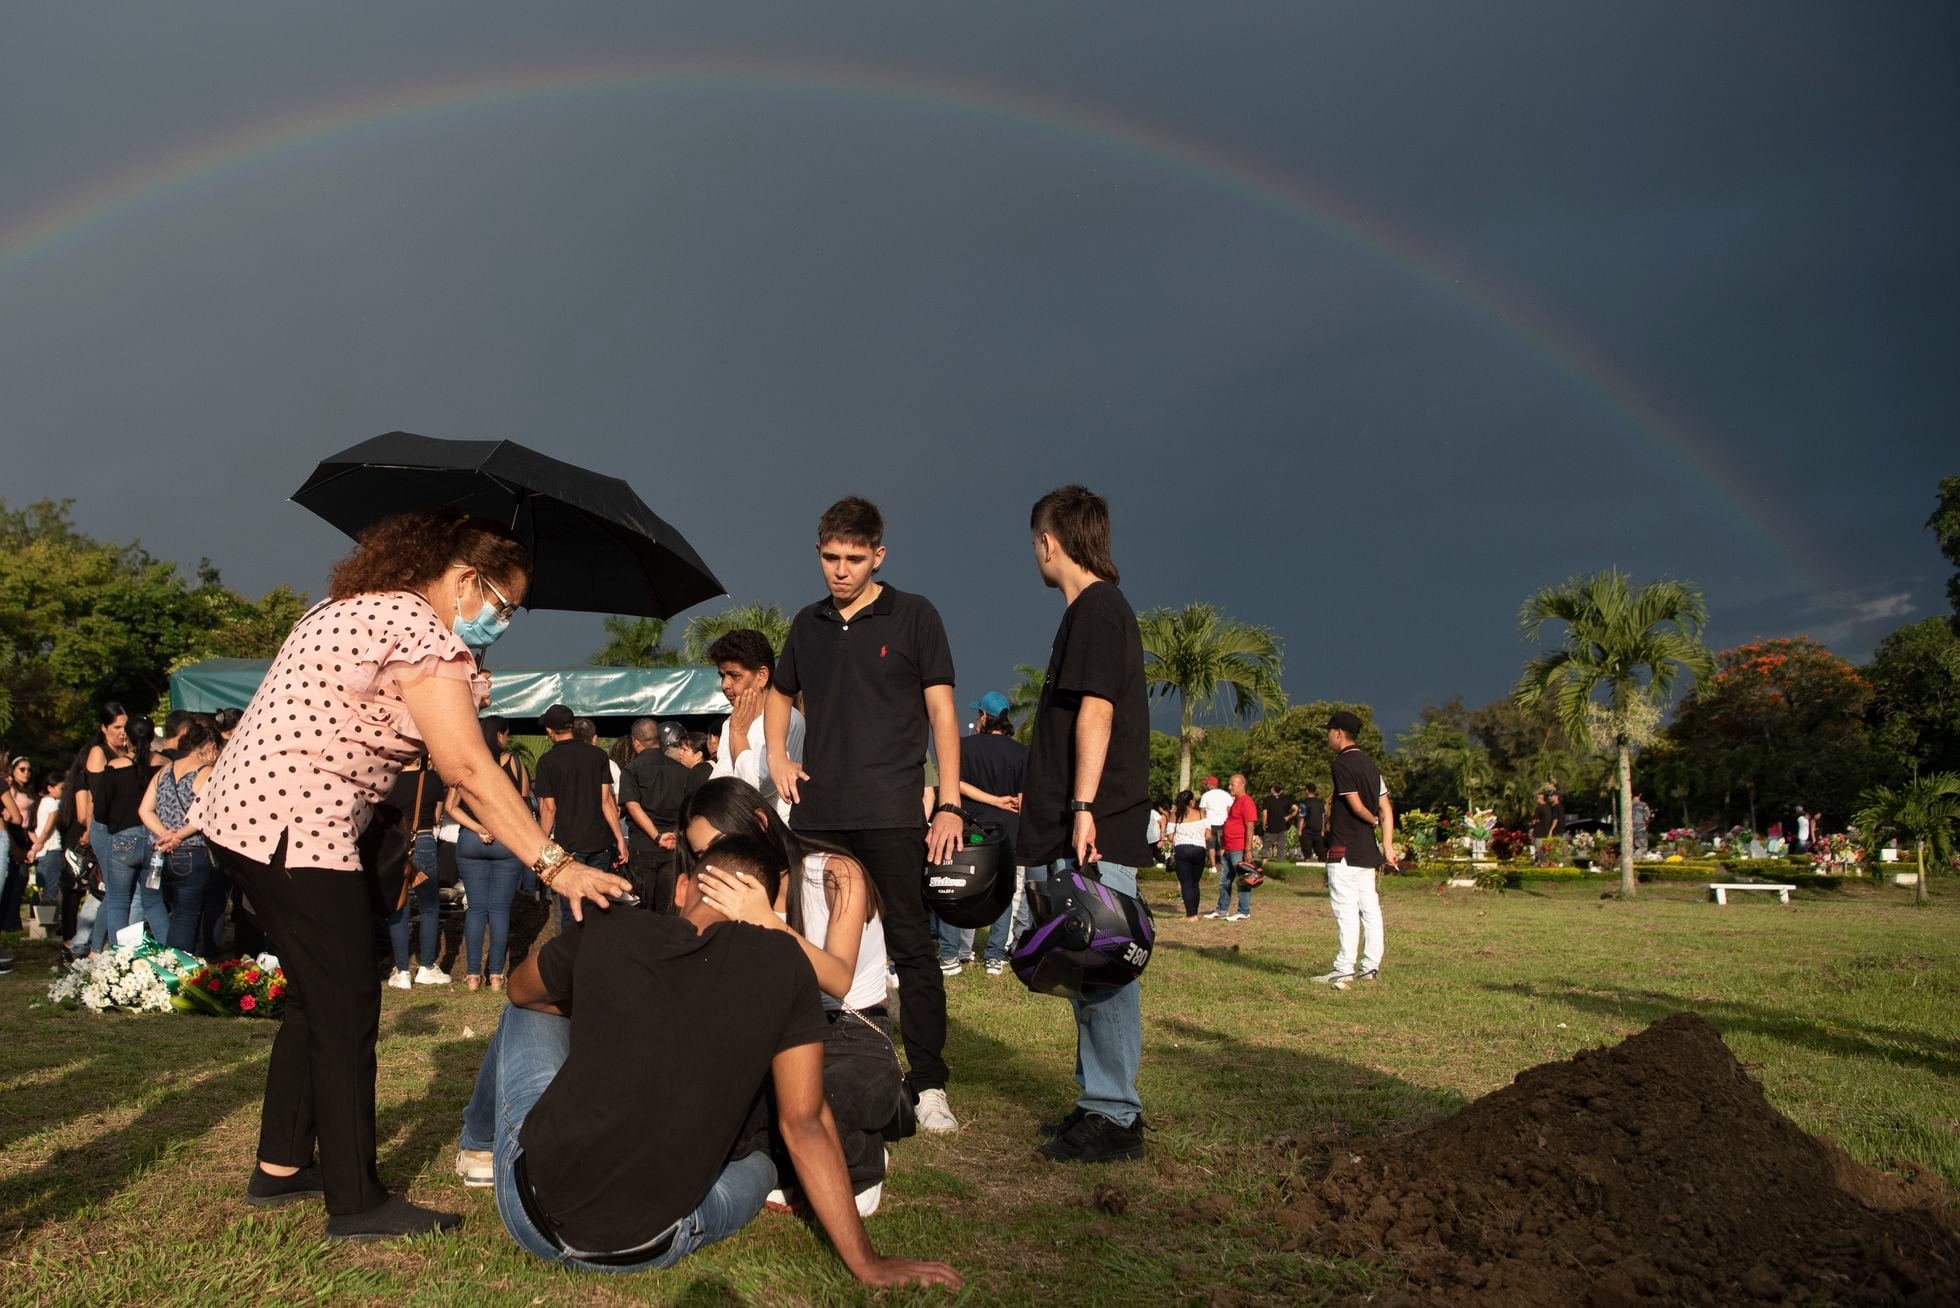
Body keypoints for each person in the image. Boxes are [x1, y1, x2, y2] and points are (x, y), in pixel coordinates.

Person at [191, 507, 634, 1242]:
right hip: (295, 826)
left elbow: (428, 760)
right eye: (504, 605)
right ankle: (356, 1202)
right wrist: (555, 867)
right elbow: (466, 766)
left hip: (245, 817)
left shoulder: (348, 608)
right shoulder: (419, 632)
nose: (504, 621)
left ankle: (280, 1166)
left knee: (315, 996)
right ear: (466, 581)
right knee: (346, 1004)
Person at [453, 829, 959, 1288]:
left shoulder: (611, 929)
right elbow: (804, 1123)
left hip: (532, 1212)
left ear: (681, 888)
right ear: (765, 906)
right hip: (656, 1240)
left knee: (524, 1013)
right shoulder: (786, 969)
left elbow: (520, 992)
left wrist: (599, 994)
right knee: (765, 1160)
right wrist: (868, 1264)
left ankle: (478, 1146)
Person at [766, 496, 965, 1134]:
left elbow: (942, 715)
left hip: (892, 812)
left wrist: (950, 801)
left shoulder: (915, 616)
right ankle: (803, 1062)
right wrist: (776, 756)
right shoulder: (807, 623)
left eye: (855, 558)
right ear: (819, 554)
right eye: (831, 557)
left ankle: (929, 1084)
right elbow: (778, 692)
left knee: (912, 946)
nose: (842, 570)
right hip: (818, 815)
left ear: (879, 555)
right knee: (802, 943)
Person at [675, 778, 904, 1213]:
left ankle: (861, 1164)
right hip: (777, 1036)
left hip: (851, 1035)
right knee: (712, 1110)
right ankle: (791, 1159)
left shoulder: (835, 873)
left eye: (723, 844)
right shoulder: (722, 896)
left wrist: (763, 918)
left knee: (817, 1107)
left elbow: (837, 978)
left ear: (760, 821)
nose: (717, 864)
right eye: (704, 856)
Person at [1017, 485, 1151, 1164]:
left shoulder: (1098, 610)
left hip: (1093, 825)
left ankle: (1116, 1116)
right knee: (1082, 964)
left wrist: (1083, 808)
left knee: (1104, 967)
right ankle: (1096, 1100)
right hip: (1072, 822)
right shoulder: (1089, 612)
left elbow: (1096, 712)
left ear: (1050, 540)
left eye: (1035, 539)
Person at [445, 719, 532, 990]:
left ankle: (472, 975)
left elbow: (451, 806)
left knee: (476, 909)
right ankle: (496, 975)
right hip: (506, 841)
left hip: (471, 841)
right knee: (499, 910)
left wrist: (477, 826)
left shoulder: (467, 765)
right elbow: (523, 803)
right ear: (500, 735)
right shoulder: (514, 763)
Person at [1312, 712, 1394, 991]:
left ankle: (1343, 969)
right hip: (1366, 850)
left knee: (1345, 909)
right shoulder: (1372, 766)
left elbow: (1356, 806)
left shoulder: (1343, 763)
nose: (1328, 736)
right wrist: (1389, 844)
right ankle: (1370, 966)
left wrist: (1370, 819)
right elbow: (1387, 809)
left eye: (1329, 731)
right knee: (1370, 908)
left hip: (1344, 849)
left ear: (1338, 733)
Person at [955, 692, 1032, 977]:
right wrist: (1003, 801)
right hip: (1009, 833)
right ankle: (995, 956)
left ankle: (963, 950)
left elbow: (958, 785)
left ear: (984, 717)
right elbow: (1023, 800)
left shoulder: (965, 747)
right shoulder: (1022, 752)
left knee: (967, 886)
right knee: (1004, 891)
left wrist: (990, 800)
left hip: (974, 830)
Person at [534, 703, 630, 929]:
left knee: (570, 909)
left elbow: (549, 809)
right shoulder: (598, 755)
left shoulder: (547, 761)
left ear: (549, 731)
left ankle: (571, 956)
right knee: (597, 904)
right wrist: (619, 839)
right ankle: (596, 954)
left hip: (568, 845)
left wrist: (540, 848)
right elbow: (607, 801)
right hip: (601, 842)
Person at [87, 705, 167, 949]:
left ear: (128, 738)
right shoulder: (166, 766)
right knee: (154, 902)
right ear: (152, 736)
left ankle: (118, 958)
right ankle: (172, 953)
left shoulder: (116, 767)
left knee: (118, 901)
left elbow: (100, 809)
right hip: (156, 841)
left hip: (123, 841)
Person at [708, 628, 805, 823]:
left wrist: (739, 734)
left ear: (762, 675)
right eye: (722, 675)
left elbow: (759, 787)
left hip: (779, 835)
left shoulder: (788, 720)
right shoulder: (732, 722)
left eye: (734, 675)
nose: (725, 685)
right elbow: (720, 780)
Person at [141, 719, 222, 954]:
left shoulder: (165, 770)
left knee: (175, 911)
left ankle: (171, 963)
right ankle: (179, 969)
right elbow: (205, 813)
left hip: (160, 853)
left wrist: (164, 835)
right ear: (210, 747)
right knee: (187, 915)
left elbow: (144, 810)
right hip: (191, 853)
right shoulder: (205, 772)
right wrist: (178, 835)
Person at [617, 718, 698, 909]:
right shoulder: (683, 771)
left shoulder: (631, 770)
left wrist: (657, 836)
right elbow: (690, 807)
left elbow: (633, 807)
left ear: (635, 741)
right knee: (668, 907)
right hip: (674, 845)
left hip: (644, 845)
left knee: (642, 905)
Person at [1205, 774, 1259, 921]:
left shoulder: (1247, 802)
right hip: (1229, 848)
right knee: (1225, 880)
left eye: (1232, 784)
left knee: (1242, 879)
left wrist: (1247, 850)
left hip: (1239, 848)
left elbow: (1250, 826)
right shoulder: (1236, 801)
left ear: (1242, 785)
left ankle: (1243, 910)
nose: (1229, 787)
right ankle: (1222, 909)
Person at [1167, 790, 1210, 922]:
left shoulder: (1176, 815)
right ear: (1191, 801)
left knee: (1186, 884)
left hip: (1182, 849)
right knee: (1195, 883)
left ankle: (1190, 915)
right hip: (1199, 850)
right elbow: (1208, 835)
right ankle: (1195, 913)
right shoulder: (1202, 814)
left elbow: (1169, 837)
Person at [1197, 775, 1230, 874]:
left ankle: (1213, 866)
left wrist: (1204, 822)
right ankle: (1224, 864)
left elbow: (1202, 810)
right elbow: (1229, 808)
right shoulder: (1225, 794)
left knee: (1211, 846)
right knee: (1223, 845)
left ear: (1211, 784)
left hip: (1210, 823)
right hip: (1223, 823)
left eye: (1207, 784)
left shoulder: (1206, 795)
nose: (1206, 785)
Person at [1260, 782, 1291, 860]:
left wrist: (1264, 824)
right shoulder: (1286, 799)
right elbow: (1296, 808)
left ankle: (1264, 865)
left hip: (1270, 827)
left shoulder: (1267, 799)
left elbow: (1264, 813)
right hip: (1282, 827)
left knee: (1266, 848)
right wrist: (1289, 816)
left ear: (1273, 789)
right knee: (1281, 848)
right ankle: (1280, 864)